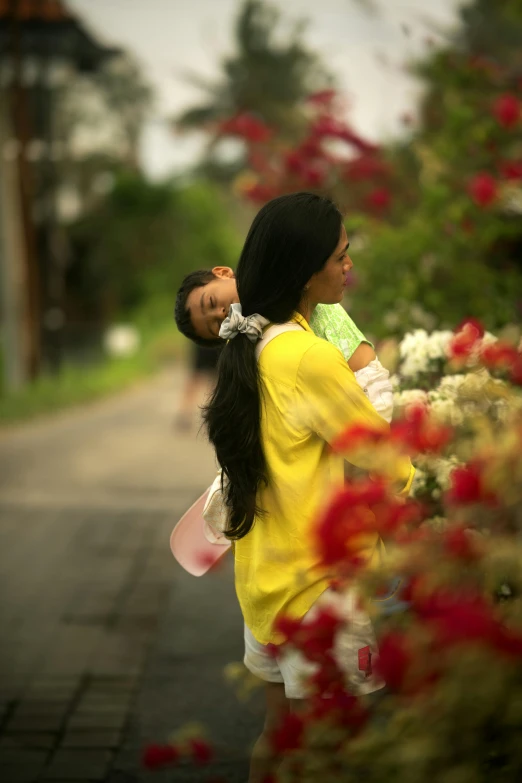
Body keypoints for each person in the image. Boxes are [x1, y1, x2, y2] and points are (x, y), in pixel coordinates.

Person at [201, 192, 414, 782]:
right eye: (341, 257)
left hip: (263, 588)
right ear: (305, 268)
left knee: (278, 739)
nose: (350, 267)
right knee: (330, 754)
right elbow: (386, 459)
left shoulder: (250, 346)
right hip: (321, 591)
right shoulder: (309, 357)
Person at [173, 343, 220, 432]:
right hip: (205, 340)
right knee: (197, 378)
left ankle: (213, 415)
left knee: (215, 380)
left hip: (219, 339)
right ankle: (185, 414)